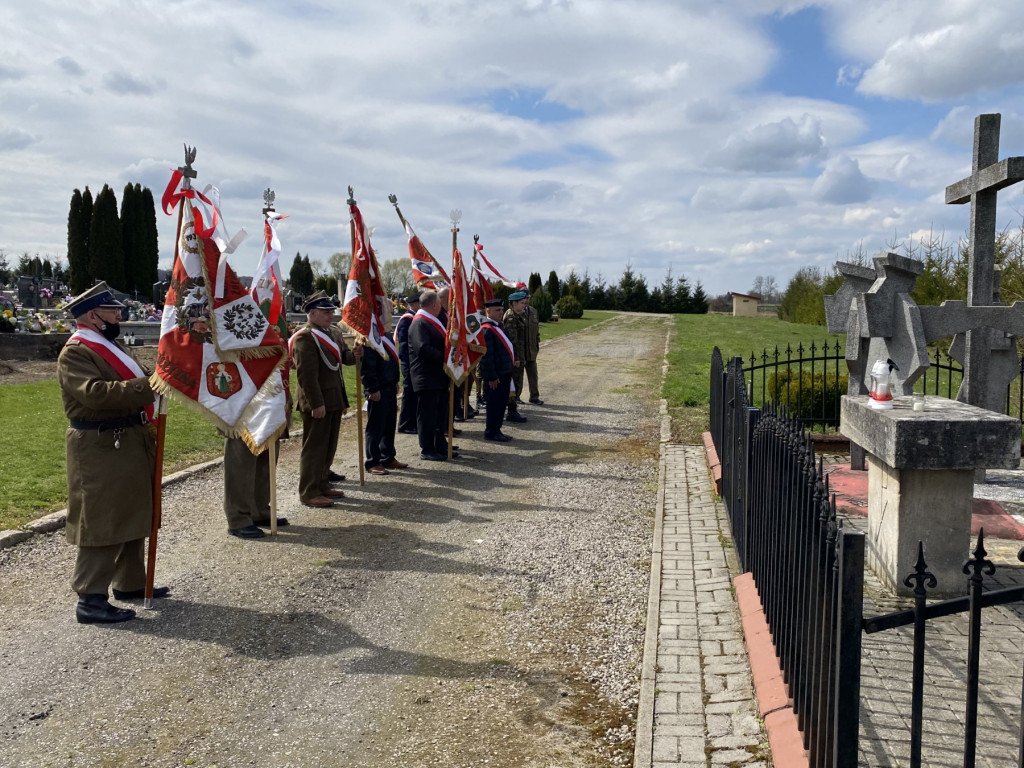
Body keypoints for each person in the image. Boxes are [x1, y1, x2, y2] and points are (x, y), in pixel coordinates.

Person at [57, 282, 167, 624]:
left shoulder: (110, 344)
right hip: (100, 444)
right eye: (113, 311)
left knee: (132, 511)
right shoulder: (76, 351)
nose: (120, 315)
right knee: (100, 519)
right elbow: (95, 394)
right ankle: (90, 598)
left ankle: (129, 583)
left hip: (126, 437)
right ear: (93, 316)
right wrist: (151, 384)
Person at [289, 291, 362, 507]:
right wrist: (316, 403)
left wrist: (356, 354)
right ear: (312, 313)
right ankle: (309, 491)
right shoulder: (305, 336)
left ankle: (321, 483)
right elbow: (306, 375)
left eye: (332, 311)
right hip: (318, 400)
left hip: (333, 397)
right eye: (326, 311)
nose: (331, 315)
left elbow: (343, 358)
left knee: (329, 445)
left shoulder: (330, 333)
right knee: (315, 448)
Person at [408, 290, 455, 461]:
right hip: (426, 377)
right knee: (427, 415)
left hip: (437, 377)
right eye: (439, 304)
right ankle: (427, 448)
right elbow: (422, 349)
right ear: (434, 305)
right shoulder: (420, 323)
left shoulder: (431, 321)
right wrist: (446, 357)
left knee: (439, 414)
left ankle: (440, 445)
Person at [360, 312, 407, 475]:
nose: (390, 314)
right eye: (387, 311)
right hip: (377, 388)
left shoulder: (385, 335)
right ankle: (373, 460)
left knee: (388, 424)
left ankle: (387, 456)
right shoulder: (370, 337)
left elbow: (391, 361)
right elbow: (368, 366)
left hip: (388, 386)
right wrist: (372, 388)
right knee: (375, 426)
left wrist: (394, 381)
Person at [478, 298, 515, 442]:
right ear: (488, 311)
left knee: (501, 404)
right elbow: (486, 357)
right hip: (496, 376)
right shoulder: (487, 329)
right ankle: (491, 431)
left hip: (504, 373)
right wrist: (491, 377)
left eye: (501, 309)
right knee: (494, 405)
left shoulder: (499, 326)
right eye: (497, 310)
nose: (500, 313)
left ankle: (497, 429)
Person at [501, 291, 530, 424]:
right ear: (513, 303)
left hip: (520, 355)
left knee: (518, 383)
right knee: (514, 384)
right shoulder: (511, 318)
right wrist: (516, 358)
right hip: (515, 357)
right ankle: (511, 411)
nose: (523, 305)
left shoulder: (519, 316)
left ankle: (513, 409)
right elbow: (512, 341)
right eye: (521, 303)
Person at [394, 292, 420, 434]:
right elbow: (403, 345)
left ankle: (412, 422)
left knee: (414, 393)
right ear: (413, 304)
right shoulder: (407, 320)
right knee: (409, 393)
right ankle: (404, 424)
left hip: (414, 363)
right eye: (418, 303)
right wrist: (409, 364)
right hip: (409, 363)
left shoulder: (416, 318)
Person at [520, 289, 544, 405]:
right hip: (519, 352)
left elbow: (537, 332)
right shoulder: (513, 312)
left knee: (533, 375)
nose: (526, 300)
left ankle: (534, 397)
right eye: (524, 297)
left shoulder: (534, 312)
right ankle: (516, 398)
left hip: (531, 351)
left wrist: (536, 345)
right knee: (517, 377)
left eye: (528, 297)